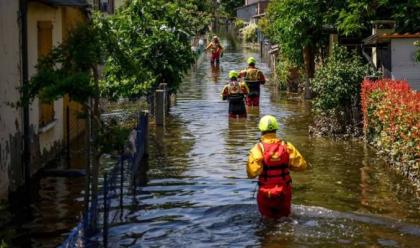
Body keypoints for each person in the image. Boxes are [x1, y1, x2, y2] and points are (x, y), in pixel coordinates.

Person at [247, 115, 307, 218]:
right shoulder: (287, 145)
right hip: (284, 191)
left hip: (265, 193)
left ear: (261, 130)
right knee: (285, 219)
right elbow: (302, 165)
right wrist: (286, 164)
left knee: (266, 221)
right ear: (276, 129)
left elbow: (252, 173)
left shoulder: (258, 148)